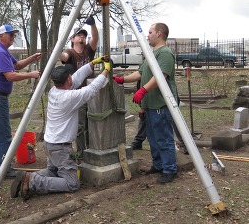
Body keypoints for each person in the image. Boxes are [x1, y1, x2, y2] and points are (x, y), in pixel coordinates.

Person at [10, 57, 111, 201]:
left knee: (53, 170)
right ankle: (33, 181)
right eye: (70, 76)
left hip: (50, 144)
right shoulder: (68, 97)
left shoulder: (54, 91)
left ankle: (27, 177)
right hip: (60, 147)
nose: (72, 77)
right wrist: (106, 70)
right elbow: (91, 89)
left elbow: (77, 77)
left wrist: (93, 63)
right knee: (72, 183)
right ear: (67, 80)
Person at [113, 22, 178, 184]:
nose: (147, 35)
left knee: (163, 138)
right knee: (153, 138)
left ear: (159, 34)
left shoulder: (165, 53)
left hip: (161, 104)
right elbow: (140, 73)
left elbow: (161, 77)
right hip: (150, 105)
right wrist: (122, 79)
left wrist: (143, 90)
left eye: (150, 32)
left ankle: (170, 169)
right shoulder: (151, 53)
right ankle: (158, 165)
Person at [0, 24, 41, 178]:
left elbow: (17, 65)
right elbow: (10, 76)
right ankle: (5, 169)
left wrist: (32, 58)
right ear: (1, 37)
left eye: (14, 35)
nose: (13, 37)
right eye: (10, 35)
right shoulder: (0, 52)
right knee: (4, 135)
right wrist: (31, 75)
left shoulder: (3, 51)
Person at [59, 15, 99, 156]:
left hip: (92, 92)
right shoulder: (70, 54)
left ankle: (93, 149)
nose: (82, 37)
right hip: (78, 94)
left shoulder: (89, 50)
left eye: (84, 36)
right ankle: (82, 153)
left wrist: (92, 24)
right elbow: (61, 56)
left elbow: (95, 38)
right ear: (72, 39)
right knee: (81, 125)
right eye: (79, 35)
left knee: (93, 122)